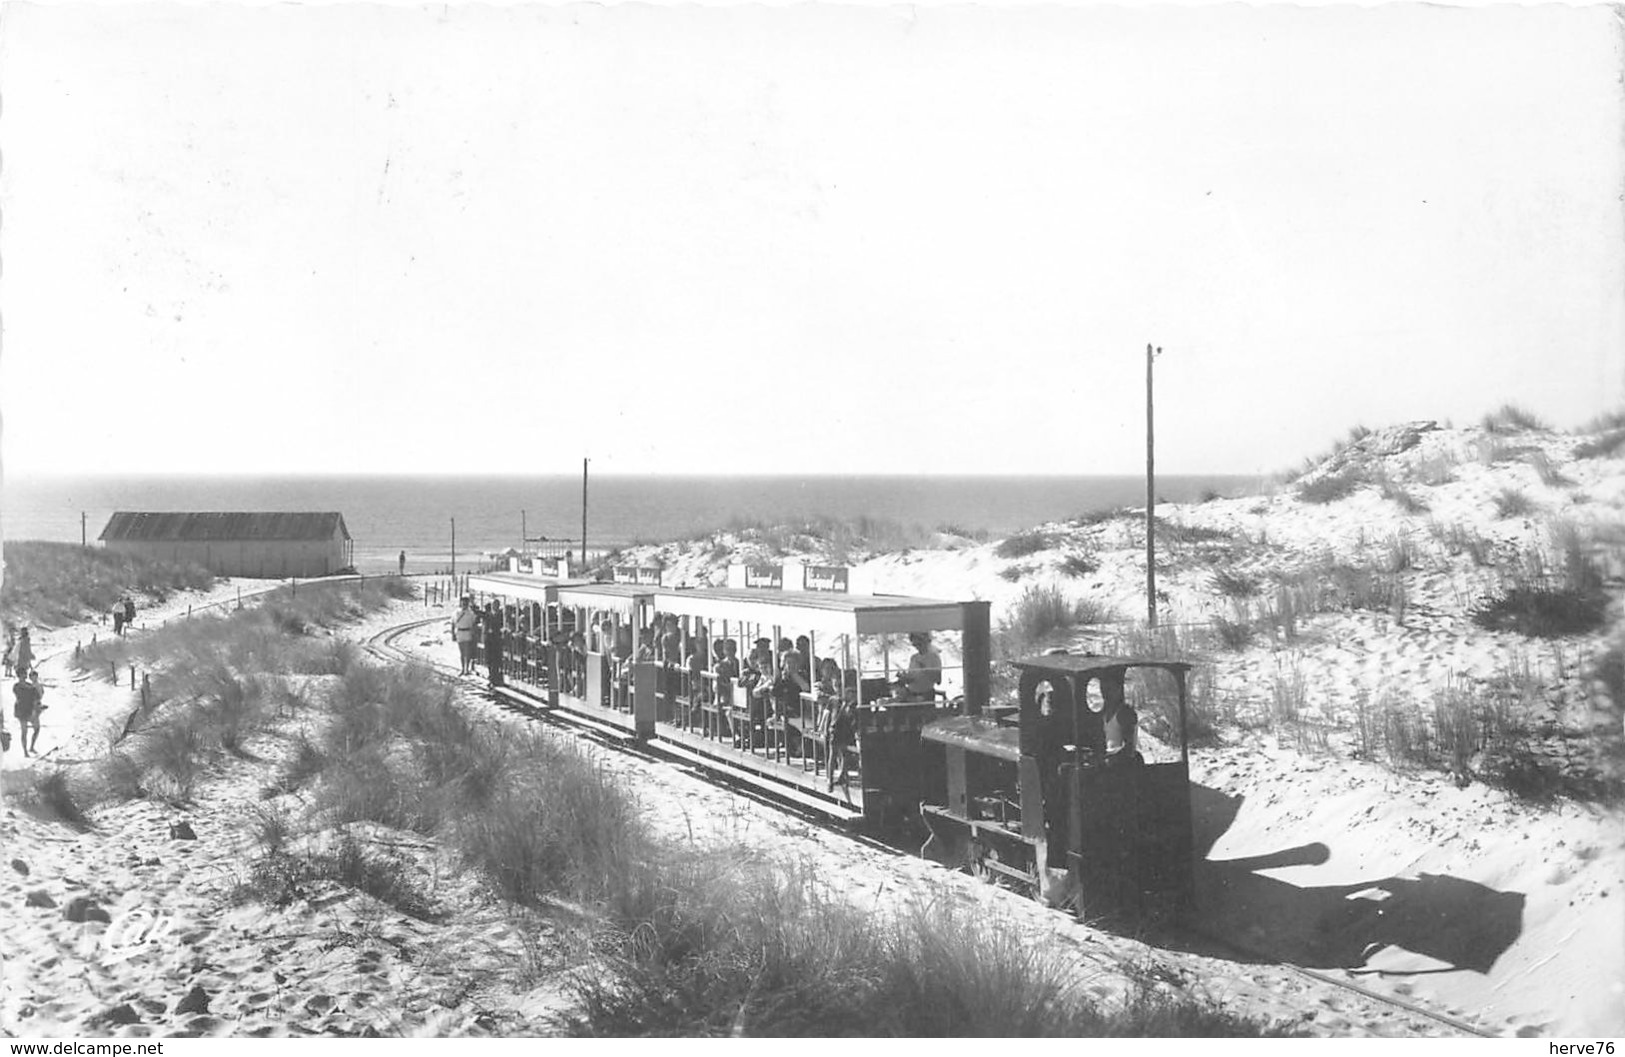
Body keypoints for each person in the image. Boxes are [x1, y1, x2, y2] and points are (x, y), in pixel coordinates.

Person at [900, 631, 943, 702]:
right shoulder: (914, 657)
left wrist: (924, 668)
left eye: (919, 644)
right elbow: (912, 678)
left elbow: (938, 680)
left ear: (926, 642)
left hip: (925, 695)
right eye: (915, 645)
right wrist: (905, 678)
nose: (917, 647)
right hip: (911, 694)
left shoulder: (933, 657)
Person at [13, 667, 40, 757]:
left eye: (24, 674)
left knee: (37, 728)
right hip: (21, 710)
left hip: (30, 709)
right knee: (24, 732)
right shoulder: (17, 686)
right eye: (21, 675)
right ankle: (25, 751)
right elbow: (19, 695)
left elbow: (36, 697)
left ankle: (31, 747)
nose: (23, 676)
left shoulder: (30, 686)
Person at [451, 597, 480, 675]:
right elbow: (453, 623)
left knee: (467, 652)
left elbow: (474, 623)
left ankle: (467, 669)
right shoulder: (456, 612)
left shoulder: (471, 613)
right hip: (460, 633)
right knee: (462, 652)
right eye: (463, 603)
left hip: (467, 632)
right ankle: (463, 668)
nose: (464, 604)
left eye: (466, 603)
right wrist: (453, 634)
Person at [483, 603, 505, 687]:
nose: (495, 607)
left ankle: (495, 677)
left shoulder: (501, 615)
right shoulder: (488, 615)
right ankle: (491, 676)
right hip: (489, 640)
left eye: (496, 606)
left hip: (497, 640)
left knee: (496, 660)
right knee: (489, 659)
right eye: (493, 606)